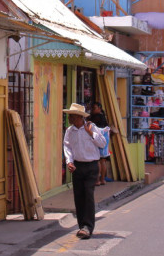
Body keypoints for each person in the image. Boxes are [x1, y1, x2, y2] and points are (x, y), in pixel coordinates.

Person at [63, 102, 106, 240]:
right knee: (79, 196)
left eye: (72, 116)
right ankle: (82, 225)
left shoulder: (91, 127)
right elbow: (67, 147)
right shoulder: (70, 131)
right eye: (69, 116)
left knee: (88, 195)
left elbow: (102, 143)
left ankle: (87, 226)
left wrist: (91, 133)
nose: (70, 119)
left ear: (79, 117)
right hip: (78, 166)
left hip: (91, 166)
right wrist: (69, 161)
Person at [86, 102, 115, 186]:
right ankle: (102, 179)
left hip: (99, 140)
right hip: (105, 140)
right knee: (103, 161)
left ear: (99, 108)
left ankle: (97, 180)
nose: (92, 110)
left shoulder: (96, 118)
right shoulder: (102, 117)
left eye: (94, 108)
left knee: (98, 161)